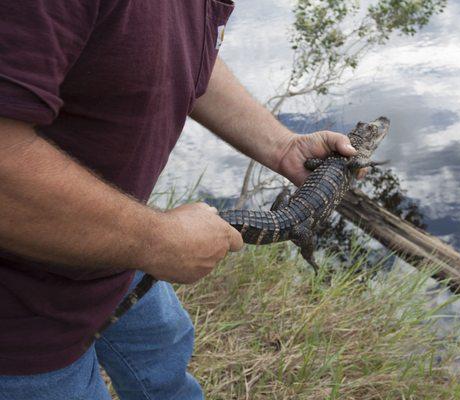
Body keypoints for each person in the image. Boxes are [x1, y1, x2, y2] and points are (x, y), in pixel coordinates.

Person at [0, 1, 359, 399]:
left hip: (116, 256)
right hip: (19, 321)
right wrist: (154, 239)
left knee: (167, 362)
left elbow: (173, 45)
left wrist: (282, 145)